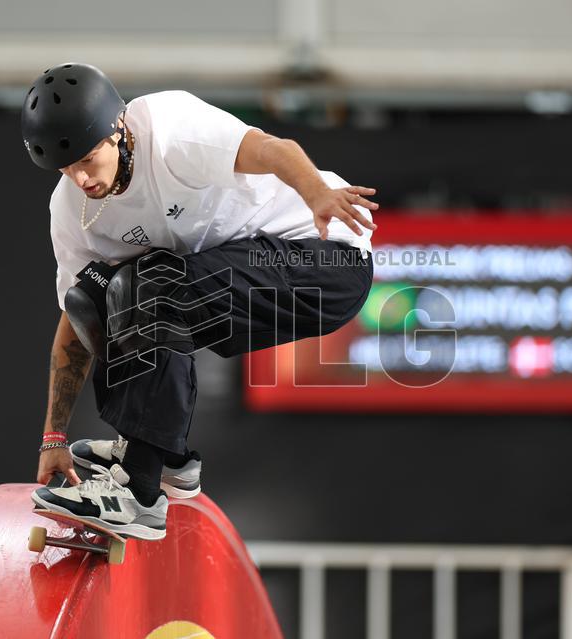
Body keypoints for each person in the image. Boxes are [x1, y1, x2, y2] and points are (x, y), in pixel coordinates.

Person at [26, 62, 377, 541]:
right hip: (245, 277)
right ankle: (167, 461)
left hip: (326, 260)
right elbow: (76, 320)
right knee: (100, 295)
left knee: (154, 284)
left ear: (119, 129)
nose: (81, 179)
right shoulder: (71, 212)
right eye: (66, 169)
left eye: (87, 160)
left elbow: (276, 150)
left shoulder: (170, 130)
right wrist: (54, 436)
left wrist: (317, 194)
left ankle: (140, 493)